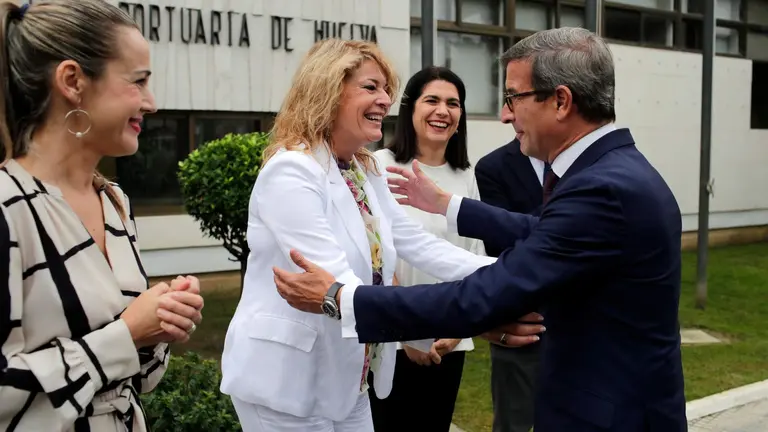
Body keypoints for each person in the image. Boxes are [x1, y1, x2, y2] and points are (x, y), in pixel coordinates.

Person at [273, 27, 687, 432]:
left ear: (561, 101)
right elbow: (539, 234)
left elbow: (513, 268)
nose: (505, 114)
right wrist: (453, 216)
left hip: (610, 413)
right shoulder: (611, 173)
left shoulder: (601, 187)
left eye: (512, 98)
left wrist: (343, 301)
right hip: (304, 383)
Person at [218, 39, 536, 432]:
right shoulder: (292, 171)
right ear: (327, 89)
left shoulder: (363, 169)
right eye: (371, 87)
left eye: (387, 89)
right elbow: (339, 284)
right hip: (288, 382)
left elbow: (417, 244)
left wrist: (509, 277)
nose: (386, 100)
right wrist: (474, 312)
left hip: (350, 376)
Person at [0, 1, 205, 431]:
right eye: (139, 81)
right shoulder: (7, 206)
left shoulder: (115, 202)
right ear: (73, 81)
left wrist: (159, 325)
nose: (151, 103)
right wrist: (127, 334)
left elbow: (138, 382)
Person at [370, 66, 482, 432]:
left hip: (450, 340)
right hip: (392, 340)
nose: (443, 111)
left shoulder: (465, 175)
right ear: (410, 108)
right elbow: (376, 258)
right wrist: (409, 332)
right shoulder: (377, 167)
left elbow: (473, 255)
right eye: (431, 100)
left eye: (453, 103)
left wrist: (461, 324)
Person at [475, 138, 544, 432]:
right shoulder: (493, 167)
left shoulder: (587, 164)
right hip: (520, 322)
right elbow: (502, 248)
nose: (505, 114)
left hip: (584, 328)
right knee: (513, 423)